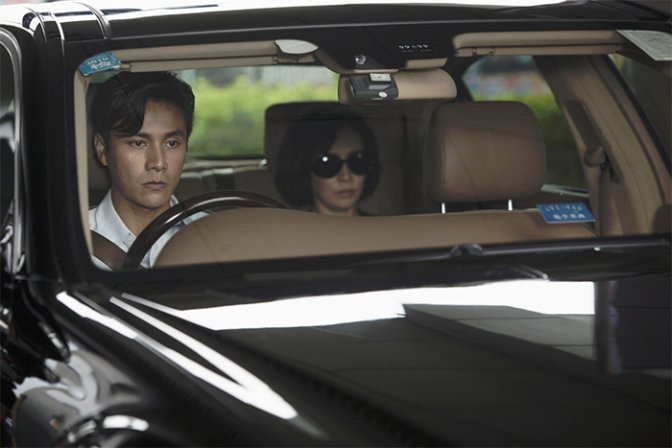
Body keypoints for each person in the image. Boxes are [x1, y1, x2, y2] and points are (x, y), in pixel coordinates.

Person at [89, 71, 200, 269]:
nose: (158, 163)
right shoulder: (70, 243)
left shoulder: (216, 232)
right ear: (102, 149)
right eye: (138, 143)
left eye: (172, 143)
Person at [275, 104, 380, 216]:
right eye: (328, 164)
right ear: (304, 171)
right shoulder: (286, 227)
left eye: (357, 161)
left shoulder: (387, 226)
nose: (346, 177)